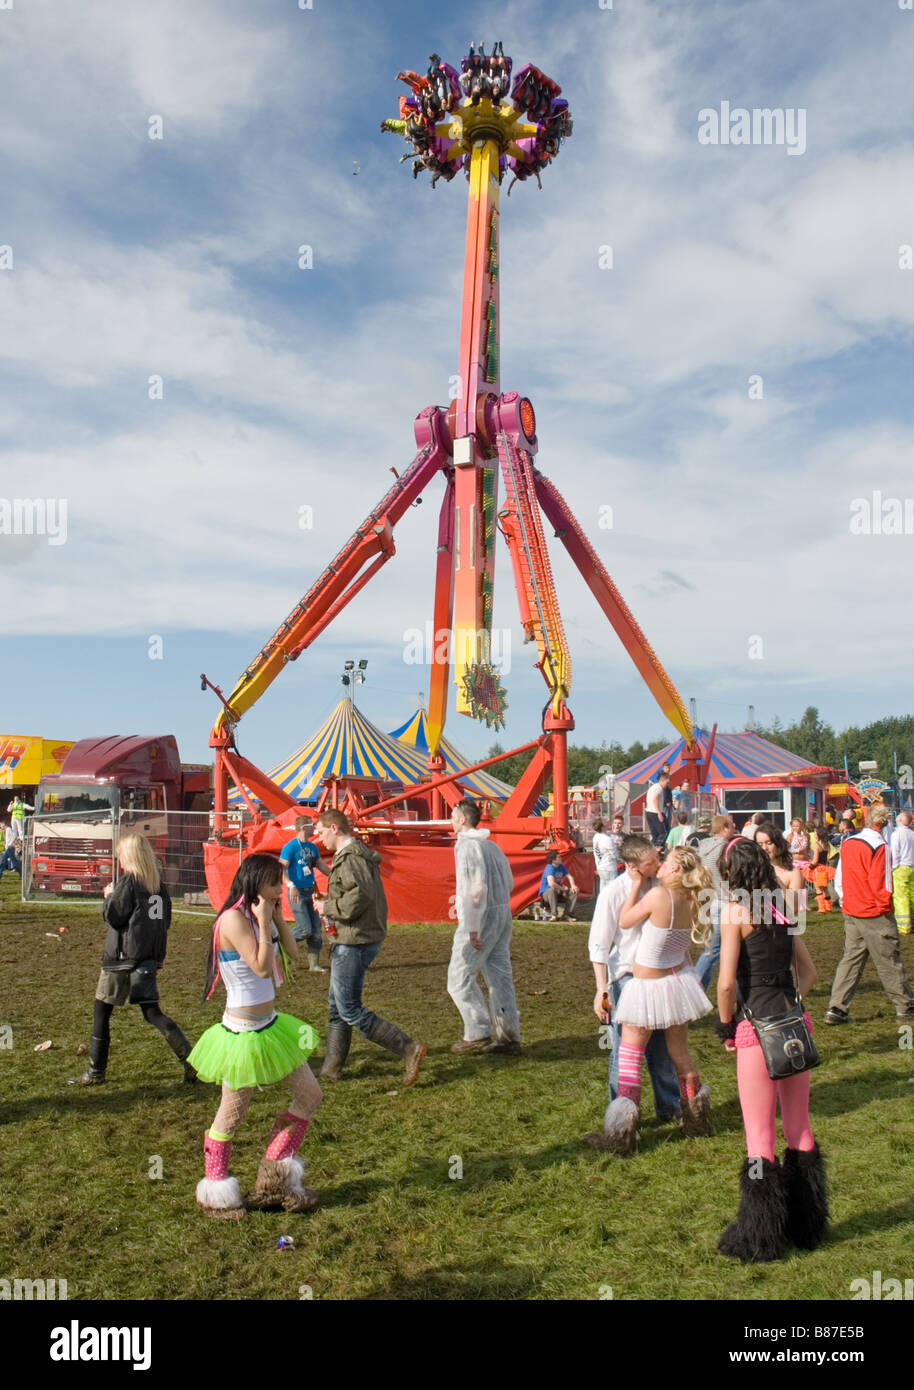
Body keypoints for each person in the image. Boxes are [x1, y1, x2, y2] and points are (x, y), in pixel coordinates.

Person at [188, 853, 321, 1218]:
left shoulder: (260, 914)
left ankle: (276, 1179)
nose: (282, 887)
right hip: (241, 1035)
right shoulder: (234, 918)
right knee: (231, 1114)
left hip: (272, 1028)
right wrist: (263, 921)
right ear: (256, 882)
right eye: (276, 882)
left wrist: (276, 916)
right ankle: (215, 1194)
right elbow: (262, 968)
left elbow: (292, 953)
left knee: (310, 1095)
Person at [715, 836, 826, 1262]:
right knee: (800, 1129)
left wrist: (727, 1026)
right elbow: (810, 973)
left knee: (759, 1138)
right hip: (794, 1024)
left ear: (731, 873)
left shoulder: (734, 912)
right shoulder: (783, 909)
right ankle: (808, 1226)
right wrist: (792, 1004)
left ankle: (760, 1238)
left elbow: (726, 982)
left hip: (756, 1030)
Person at [600, 845, 715, 1154]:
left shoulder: (658, 895)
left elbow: (624, 921)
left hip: (647, 985)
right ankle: (695, 1118)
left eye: (667, 862)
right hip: (677, 983)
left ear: (676, 869)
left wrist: (635, 883)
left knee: (630, 1054)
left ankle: (623, 1131)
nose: (661, 865)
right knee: (680, 1054)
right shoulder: (689, 899)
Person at [69, 833, 195, 1086]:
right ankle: (192, 1062)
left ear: (129, 857)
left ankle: (96, 1073)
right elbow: (164, 922)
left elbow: (114, 917)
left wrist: (108, 896)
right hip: (148, 960)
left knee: (101, 1013)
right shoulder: (158, 886)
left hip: (122, 960)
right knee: (153, 1013)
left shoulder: (128, 883)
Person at [312, 809, 427, 1084]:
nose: (319, 837)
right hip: (358, 936)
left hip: (353, 940)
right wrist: (333, 898)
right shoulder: (357, 856)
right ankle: (330, 1068)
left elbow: (357, 900)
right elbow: (357, 894)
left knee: (349, 1008)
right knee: (337, 1007)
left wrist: (326, 905)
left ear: (335, 829)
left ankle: (408, 1048)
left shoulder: (350, 859)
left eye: (321, 831)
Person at [585, 834, 681, 1149]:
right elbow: (599, 944)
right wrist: (602, 989)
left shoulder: (660, 885)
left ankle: (669, 1107)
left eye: (657, 857)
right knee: (625, 1052)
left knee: (662, 1047)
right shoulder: (613, 893)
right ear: (632, 866)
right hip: (626, 977)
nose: (658, 863)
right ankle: (623, 1119)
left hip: (658, 975)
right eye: (652, 861)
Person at [825, 805, 914, 1024]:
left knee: (851, 959)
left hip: (852, 908)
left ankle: (837, 1007)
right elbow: (882, 884)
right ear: (884, 823)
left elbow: (841, 876)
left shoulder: (850, 842)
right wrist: (886, 910)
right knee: (889, 960)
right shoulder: (880, 846)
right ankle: (905, 1006)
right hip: (873, 911)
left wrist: (845, 900)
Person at [447, 797, 521, 1054]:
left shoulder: (467, 847)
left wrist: (473, 927)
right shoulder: (492, 847)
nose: (451, 818)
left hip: (481, 915)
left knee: (459, 977)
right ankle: (509, 1035)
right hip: (502, 913)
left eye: (453, 814)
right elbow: (509, 882)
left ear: (462, 819)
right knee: (500, 976)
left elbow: (476, 889)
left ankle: (477, 1031)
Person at [279, 815, 332, 971]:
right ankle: (281, 943)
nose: (314, 828)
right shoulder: (290, 847)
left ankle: (313, 965)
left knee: (316, 931)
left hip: (311, 892)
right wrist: (291, 885)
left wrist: (335, 876)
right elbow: (280, 868)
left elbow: (320, 864)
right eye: (312, 825)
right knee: (304, 930)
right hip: (297, 893)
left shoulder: (312, 847)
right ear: (303, 828)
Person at [694, 813, 737, 989]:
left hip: (710, 898)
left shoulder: (704, 846)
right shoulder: (725, 848)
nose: (734, 827)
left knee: (717, 947)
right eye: (732, 825)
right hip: (725, 899)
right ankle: (695, 989)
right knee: (714, 949)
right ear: (724, 828)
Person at [754, 822, 805, 921]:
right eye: (760, 844)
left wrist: (777, 881)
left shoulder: (792, 872)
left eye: (769, 843)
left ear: (778, 844)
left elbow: (794, 907)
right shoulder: (752, 869)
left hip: (780, 928)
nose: (764, 848)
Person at [890, 809, 914, 936]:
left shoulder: (896, 834)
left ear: (899, 820)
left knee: (900, 897)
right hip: (912, 866)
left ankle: (903, 926)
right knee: (912, 895)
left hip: (900, 868)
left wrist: (893, 867)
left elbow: (895, 852)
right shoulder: (912, 834)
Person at [539, 850, 579, 920]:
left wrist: (573, 886)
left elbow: (570, 877)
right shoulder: (549, 867)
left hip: (557, 892)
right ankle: (554, 915)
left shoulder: (561, 867)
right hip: (546, 894)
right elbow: (551, 884)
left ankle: (567, 915)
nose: (561, 858)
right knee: (552, 890)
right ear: (553, 860)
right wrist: (562, 889)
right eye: (559, 857)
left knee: (574, 891)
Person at [592, 815, 623, 890]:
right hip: (609, 868)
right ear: (602, 827)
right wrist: (622, 859)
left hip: (601, 866)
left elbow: (596, 852)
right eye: (605, 823)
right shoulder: (606, 839)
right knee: (611, 890)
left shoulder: (596, 837)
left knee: (603, 890)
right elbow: (614, 854)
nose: (607, 823)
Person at [644, 774, 669, 850]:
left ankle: (651, 847)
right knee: (663, 832)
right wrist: (659, 813)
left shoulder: (653, 787)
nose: (667, 785)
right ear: (662, 781)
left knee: (655, 833)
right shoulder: (658, 788)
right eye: (666, 783)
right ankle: (657, 846)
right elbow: (655, 799)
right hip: (655, 812)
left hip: (649, 811)